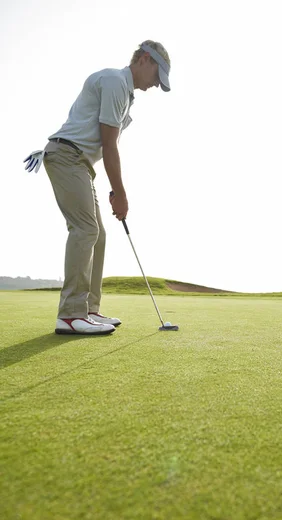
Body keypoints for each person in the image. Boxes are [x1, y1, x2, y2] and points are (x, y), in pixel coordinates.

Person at [26, 40, 171, 335]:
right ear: (145, 59)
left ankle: (89, 309)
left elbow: (108, 146)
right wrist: (121, 194)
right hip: (67, 156)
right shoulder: (115, 81)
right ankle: (70, 315)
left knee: (99, 235)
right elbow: (109, 146)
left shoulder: (126, 93)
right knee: (86, 229)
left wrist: (115, 189)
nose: (156, 84)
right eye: (157, 76)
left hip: (81, 164)